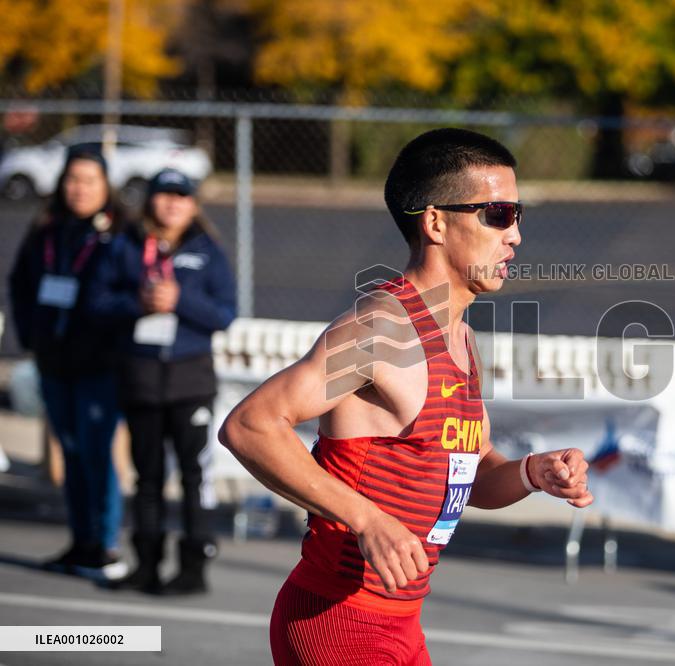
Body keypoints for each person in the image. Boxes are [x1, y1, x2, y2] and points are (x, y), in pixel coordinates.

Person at [219, 128, 593, 665]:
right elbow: (250, 426)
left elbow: (471, 478)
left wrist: (533, 473)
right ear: (436, 221)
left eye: (518, 215)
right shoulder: (383, 331)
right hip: (337, 620)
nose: (515, 236)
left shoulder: (460, 337)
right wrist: (367, 519)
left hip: (401, 623)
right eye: (498, 214)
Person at [89, 168, 236, 595]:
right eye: (164, 195)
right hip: (141, 378)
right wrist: (137, 302)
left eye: (182, 196)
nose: (172, 203)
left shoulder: (208, 251)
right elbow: (98, 302)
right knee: (147, 476)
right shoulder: (125, 246)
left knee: (193, 475)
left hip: (190, 380)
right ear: (150, 200)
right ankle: (146, 563)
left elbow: (225, 313)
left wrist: (180, 300)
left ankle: (193, 568)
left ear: (193, 204)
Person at [8, 145, 128, 580]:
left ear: (105, 184)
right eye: (72, 180)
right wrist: (30, 333)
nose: (79, 189)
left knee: (98, 452)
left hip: (100, 365)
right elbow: (20, 280)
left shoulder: (120, 232)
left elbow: (134, 292)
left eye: (89, 180)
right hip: (54, 361)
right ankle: (81, 542)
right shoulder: (48, 228)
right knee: (72, 452)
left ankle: (107, 545)